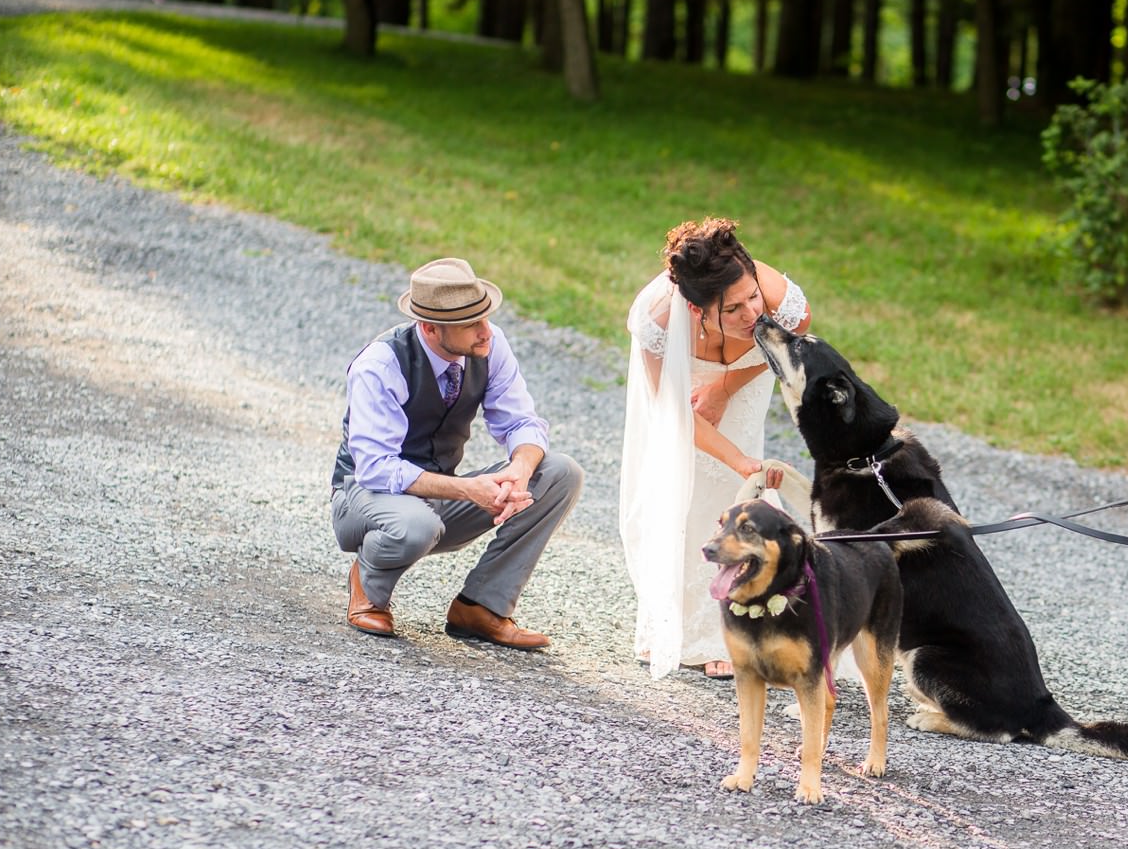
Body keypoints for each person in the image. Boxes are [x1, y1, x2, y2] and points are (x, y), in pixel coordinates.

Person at [331, 256, 584, 647]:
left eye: (485, 316)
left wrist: (519, 468)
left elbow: (522, 423)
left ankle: (481, 606)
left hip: (437, 495)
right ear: (430, 328)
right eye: (471, 324)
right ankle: (369, 584)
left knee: (559, 473)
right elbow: (377, 470)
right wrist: (469, 491)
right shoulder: (380, 365)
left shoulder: (488, 344)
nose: (486, 332)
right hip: (363, 498)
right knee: (417, 525)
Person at [619, 218, 812, 679]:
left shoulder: (774, 299)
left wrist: (727, 383)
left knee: (732, 488)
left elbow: (792, 344)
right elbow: (675, 417)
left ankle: (734, 627)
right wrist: (741, 461)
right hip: (681, 397)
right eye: (732, 310)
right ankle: (672, 624)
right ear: (697, 309)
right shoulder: (659, 321)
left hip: (746, 370)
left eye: (752, 299)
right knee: (681, 481)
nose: (751, 315)